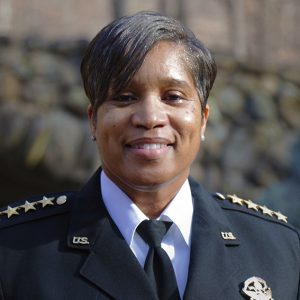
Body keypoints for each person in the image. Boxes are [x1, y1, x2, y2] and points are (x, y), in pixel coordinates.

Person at [0, 11, 299, 300]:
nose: (150, 117)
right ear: (93, 119)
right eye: (125, 97)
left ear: (203, 119)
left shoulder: (278, 249)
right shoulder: (14, 251)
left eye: (173, 97)